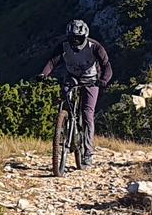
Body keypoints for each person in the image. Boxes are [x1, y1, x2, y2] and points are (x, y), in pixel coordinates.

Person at [41, 19, 113, 169]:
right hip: (72, 78)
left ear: (85, 37)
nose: (75, 41)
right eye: (72, 37)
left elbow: (106, 65)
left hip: (91, 81)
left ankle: (88, 153)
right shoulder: (63, 46)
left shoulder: (95, 47)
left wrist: (103, 80)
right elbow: (53, 62)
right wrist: (43, 74)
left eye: (78, 38)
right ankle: (65, 123)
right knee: (65, 102)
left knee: (87, 114)